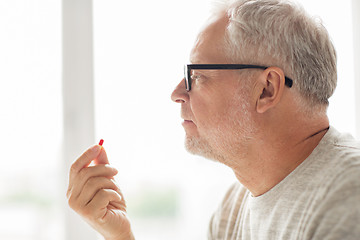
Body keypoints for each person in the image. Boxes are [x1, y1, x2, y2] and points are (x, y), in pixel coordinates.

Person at [66, 0, 360, 239]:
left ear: (266, 89)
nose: (177, 93)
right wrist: (120, 235)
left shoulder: (349, 197)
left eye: (197, 76)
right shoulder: (233, 208)